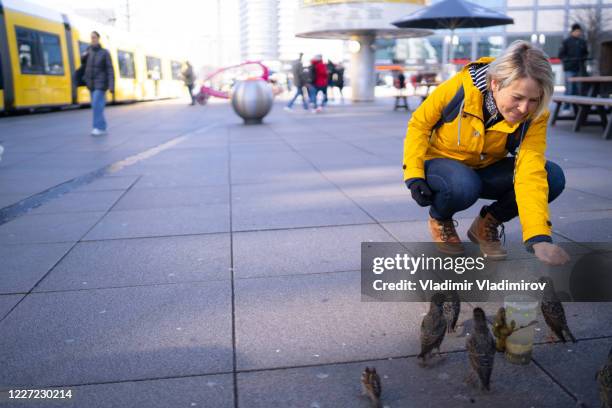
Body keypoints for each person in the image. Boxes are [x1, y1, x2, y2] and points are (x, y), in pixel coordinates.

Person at [403, 40, 570, 266]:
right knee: (463, 185)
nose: (524, 109)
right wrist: (413, 175)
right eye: (517, 97)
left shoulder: (535, 116)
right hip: (443, 163)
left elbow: (530, 171)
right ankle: (440, 219)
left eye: (534, 99)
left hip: (486, 166)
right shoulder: (459, 89)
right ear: (495, 84)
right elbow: (419, 125)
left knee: (552, 176)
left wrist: (538, 237)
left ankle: (486, 224)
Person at [83, 31, 114, 136]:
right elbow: (83, 65)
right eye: (91, 37)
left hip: (101, 83)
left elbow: (110, 69)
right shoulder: (88, 51)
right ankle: (103, 126)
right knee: (96, 105)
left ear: (98, 38)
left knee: (96, 103)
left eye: (95, 37)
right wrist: (84, 55)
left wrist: (111, 85)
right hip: (91, 83)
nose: (93, 39)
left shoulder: (105, 52)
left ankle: (98, 127)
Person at [558, 23, 589, 111]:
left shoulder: (582, 42)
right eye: (576, 31)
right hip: (569, 68)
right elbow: (561, 55)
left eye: (579, 31)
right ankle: (566, 108)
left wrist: (583, 59)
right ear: (572, 32)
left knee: (579, 89)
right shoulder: (566, 42)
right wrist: (569, 60)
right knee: (570, 88)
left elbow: (586, 53)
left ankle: (578, 109)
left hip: (580, 68)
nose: (578, 33)